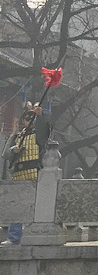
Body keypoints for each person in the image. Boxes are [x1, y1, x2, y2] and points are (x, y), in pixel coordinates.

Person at [4, 103, 48, 245]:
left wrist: (41, 116)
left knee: (33, 206)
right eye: (26, 119)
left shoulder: (38, 136)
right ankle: (14, 237)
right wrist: (14, 151)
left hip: (34, 173)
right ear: (23, 121)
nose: (28, 121)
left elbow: (45, 130)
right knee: (17, 206)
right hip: (18, 174)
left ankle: (31, 234)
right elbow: (5, 155)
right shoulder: (17, 136)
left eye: (31, 119)